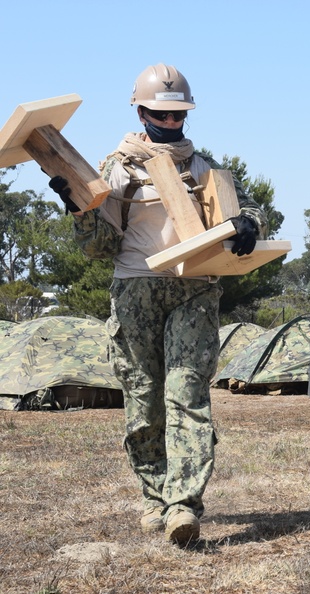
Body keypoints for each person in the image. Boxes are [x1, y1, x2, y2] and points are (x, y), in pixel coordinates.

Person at [48, 63, 266, 544]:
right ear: (141, 111)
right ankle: (155, 497)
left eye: (178, 115)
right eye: (160, 115)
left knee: (187, 392)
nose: (170, 124)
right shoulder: (117, 168)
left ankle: (184, 505)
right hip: (135, 289)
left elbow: (247, 208)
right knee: (144, 404)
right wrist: (80, 211)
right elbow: (98, 247)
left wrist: (248, 222)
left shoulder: (204, 166)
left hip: (195, 288)